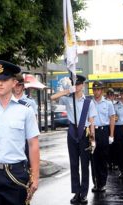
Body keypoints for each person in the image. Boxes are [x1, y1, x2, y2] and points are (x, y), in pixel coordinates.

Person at [0, 60, 40, 205]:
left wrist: (35, 176)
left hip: (15, 173)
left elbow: (33, 144)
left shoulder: (25, 110)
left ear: (13, 82)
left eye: (4, 80)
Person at [51, 74, 97, 204]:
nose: (76, 87)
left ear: (82, 85)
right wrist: (67, 91)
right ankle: (76, 192)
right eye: (74, 84)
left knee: (84, 164)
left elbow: (91, 121)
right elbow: (52, 98)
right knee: (74, 164)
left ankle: (84, 193)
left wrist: (93, 139)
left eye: (78, 84)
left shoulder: (88, 102)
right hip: (72, 133)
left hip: (84, 133)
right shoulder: (68, 99)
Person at [91, 81, 116, 193]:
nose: (96, 91)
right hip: (92, 132)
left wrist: (111, 135)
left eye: (98, 89)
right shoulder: (89, 103)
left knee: (102, 159)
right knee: (93, 159)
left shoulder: (108, 103)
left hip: (103, 131)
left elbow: (112, 118)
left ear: (102, 90)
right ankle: (96, 183)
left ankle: (103, 183)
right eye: (94, 89)